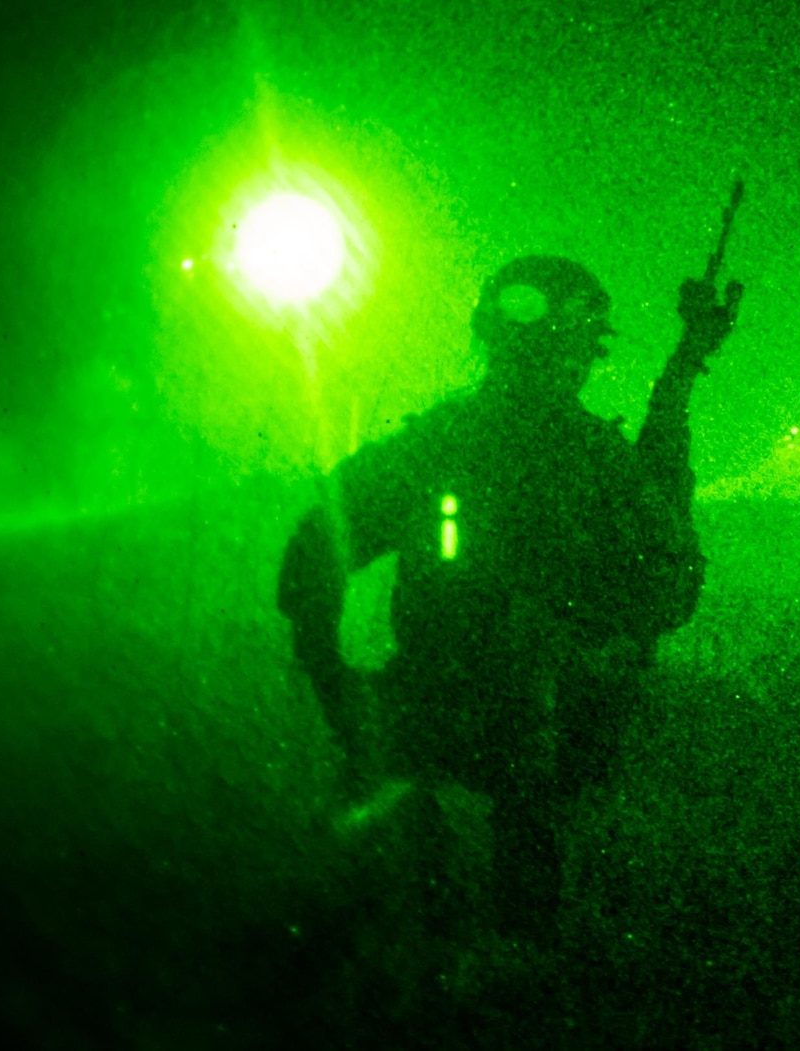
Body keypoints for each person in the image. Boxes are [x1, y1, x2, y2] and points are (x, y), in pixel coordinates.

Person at [277, 253, 744, 950]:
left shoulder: (444, 443)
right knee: (500, 911)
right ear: (583, 349)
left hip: (450, 716)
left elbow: (315, 551)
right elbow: (672, 581)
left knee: (408, 903)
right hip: (506, 729)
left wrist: (337, 685)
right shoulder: (584, 458)